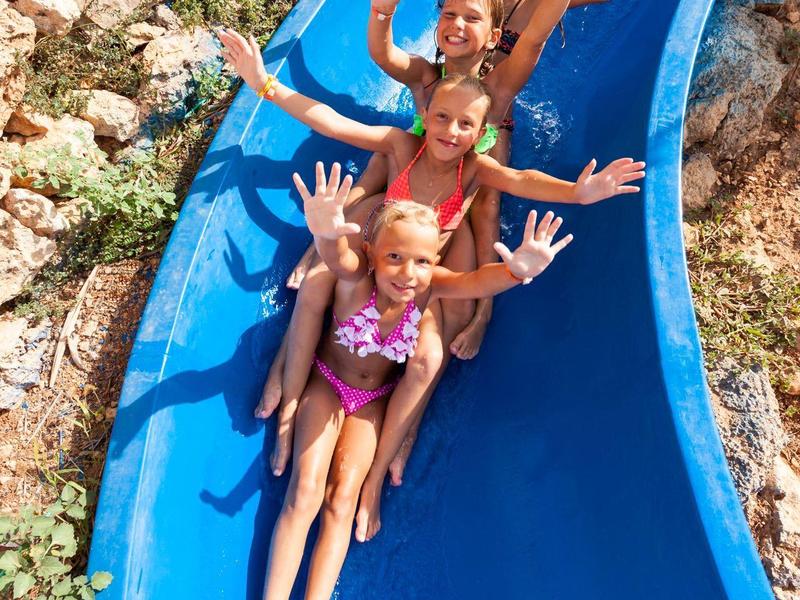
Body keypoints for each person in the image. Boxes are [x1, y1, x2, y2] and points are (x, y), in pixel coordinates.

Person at [263, 160, 572, 600]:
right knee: (307, 489)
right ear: (372, 252)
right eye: (395, 257)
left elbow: (475, 281)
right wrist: (326, 234)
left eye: (422, 261)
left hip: (371, 404)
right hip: (328, 387)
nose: (408, 273)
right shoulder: (355, 278)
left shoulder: (430, 287)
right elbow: (338, 257)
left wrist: (516, 271)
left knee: (342, 498)